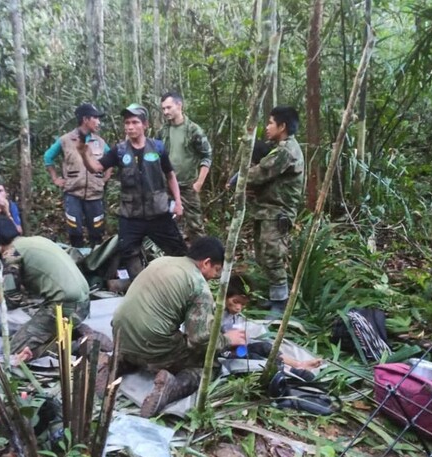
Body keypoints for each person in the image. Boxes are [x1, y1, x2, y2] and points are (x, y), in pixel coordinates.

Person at [111, 237, 246, 418]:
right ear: (206, 262)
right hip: (152, 344)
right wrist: (228, 339)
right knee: (209, 366)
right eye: (216, 270)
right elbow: (199, 339)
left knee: (154, 337)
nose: (215, 276)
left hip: (119, 334)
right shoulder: (199, 286)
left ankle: (118, 362)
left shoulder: (161, 261)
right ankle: (172, 388)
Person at [79, 103, 188, 278]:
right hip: (131, 215)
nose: (130, 127)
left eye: (135, 122)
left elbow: (170, 175)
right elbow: (96, 168)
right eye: (127, 123)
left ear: (145, 125)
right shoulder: (120, 151)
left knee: (178, 251)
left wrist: (178, 203)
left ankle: (183, 283)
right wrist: (84, 154)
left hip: (158, 212)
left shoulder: (158, 148)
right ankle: (140, 284)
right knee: (128, 252)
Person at [0, 219, 94, 361]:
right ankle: (74, 333)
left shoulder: (11, 253)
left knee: (12, 352)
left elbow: (12, 301)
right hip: (83, 302)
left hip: (64, 306)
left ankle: (76, 346)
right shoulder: (36, 240)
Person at [246, 106, 304, 314]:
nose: (267, 127)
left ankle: (281, 303)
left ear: (283, 126)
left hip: (277, 212)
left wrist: (240, 178)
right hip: (266, 210)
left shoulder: (286, 151)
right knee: (263, 254)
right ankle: (275, 297)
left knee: (273, 255)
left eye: (271, 123)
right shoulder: (278, 147)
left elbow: (259, 173)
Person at [222, 277, 321, 377]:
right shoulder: (215, 314)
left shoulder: (232, 315)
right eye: (235, 302)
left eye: (243, 304)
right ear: (224, 296)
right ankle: (287, 371)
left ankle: (298, 364)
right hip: (223, 352)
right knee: (252, 357)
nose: (238, 308)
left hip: (235, 349)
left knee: (265, 347)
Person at [44, 103, 112, 247]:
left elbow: (110, 160)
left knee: (97, 230)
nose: (99, 122)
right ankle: (77, 259)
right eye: (96, 118)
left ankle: (96, 261)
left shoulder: (100, 142)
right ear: (85, 119)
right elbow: (48, 157)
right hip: (73, 193)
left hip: (95, 194)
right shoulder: (65, 140)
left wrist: (105, 178)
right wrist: (55, 178)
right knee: (74, 230)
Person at [158, 92, 213, 242]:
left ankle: (201, 260)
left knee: (195, 226)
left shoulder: (194, 130)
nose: (166, 112)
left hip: (188, 186)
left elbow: (207, 155)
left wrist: (199, 183)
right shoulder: (163, 131)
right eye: (163, 109)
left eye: (168, 107)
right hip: (167, 187)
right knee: (168, 225)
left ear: (179, 105)